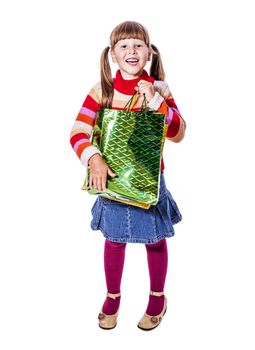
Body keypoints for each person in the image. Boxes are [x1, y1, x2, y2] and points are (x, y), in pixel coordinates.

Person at [70, 21, 186, 331]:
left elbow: (178, 133)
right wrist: (93, 158)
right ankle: (113, 296)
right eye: (123, 46)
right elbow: (78, 132)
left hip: (150, 179)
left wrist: (156, 100)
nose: (131, 51)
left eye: (138, 45)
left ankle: (157, 297)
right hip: (114, 179)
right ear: (112, 54)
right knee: (115, 239)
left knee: (154, 238)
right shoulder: (102, 90)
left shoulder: (160, 89)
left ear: (149, 53)